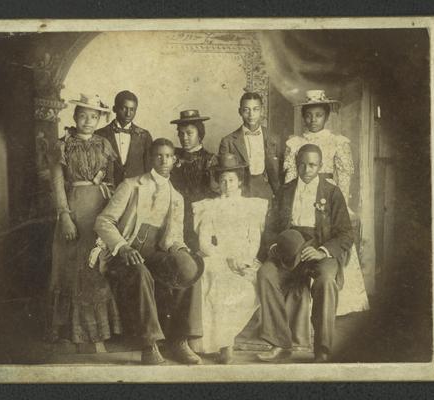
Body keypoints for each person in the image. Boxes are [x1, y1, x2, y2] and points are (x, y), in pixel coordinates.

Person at [94, 138, 204, 365]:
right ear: (151, 159)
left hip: (155, 252)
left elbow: (174, 237)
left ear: (175, 160)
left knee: (189, 271)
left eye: (169, 156)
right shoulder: (131, 185)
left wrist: (182, 251)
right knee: (141, 273)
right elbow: (103, 221)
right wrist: (122, 247)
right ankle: (149, 345)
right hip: (124, 251)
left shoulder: (177, 197)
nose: (164, 160)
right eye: (159, 156)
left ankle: (179, 341)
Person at [257, 144, 353, 363]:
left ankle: (322, 348)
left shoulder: (331, 192)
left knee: (326, 280)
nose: (307, 169)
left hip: (320, 247)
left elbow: (346, 233)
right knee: (266, 274)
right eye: (302, 163)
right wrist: (274, 246)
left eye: (312, 165)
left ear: (320, 166)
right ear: (295, 163)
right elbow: (271, 228)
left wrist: (322, 251)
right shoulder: (285, 190)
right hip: (289, 246)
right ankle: (279, 341)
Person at [283, 89, 369, 316]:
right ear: (303, 117)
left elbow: (344, 177)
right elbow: (291, 178)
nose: (313, 120)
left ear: (326, 116)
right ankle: (299, 310)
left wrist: (342, 205)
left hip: (329, 200)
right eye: (309, 116)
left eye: (318, 115)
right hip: (302, 196)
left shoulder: (337, 142)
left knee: (332, 241)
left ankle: (333, 307)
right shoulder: (295, 143)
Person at [46, 94, 121, 352]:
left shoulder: (104, 144)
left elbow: (110, 183)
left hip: (100, 210)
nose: (88, 121)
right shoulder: (62, 145)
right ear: (75, 117)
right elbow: (57, 183)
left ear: (100, 118)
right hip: (74, 210)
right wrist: (65, 215)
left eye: (94, 116)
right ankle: (73, 335)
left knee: (96, 266)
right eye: (83, 115)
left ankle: (97, 335)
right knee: (73, 268)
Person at [192, 153, 268, 363]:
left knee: (245, 287)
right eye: (223, 180)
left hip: (243, 257)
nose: (227, 184)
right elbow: (204, 243)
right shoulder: (209, 207)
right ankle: (225, 344)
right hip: (217, 256)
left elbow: (254, 241)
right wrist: (224, 258)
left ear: (240, 181)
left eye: (231, 180)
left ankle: (228, 338)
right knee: (215, 282)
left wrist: (243, 261)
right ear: (217, 182)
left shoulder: (251, 206)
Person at [219, 92, 283, 201]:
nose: (251, 114)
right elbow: (222, 175)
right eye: (246, 110)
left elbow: (280, 171)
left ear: (262, 110)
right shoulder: (228, 141)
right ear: (240, 111)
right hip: (240, 193)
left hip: (266, 191)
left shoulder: (274, 139)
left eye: (256, 109)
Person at [169, 110, 217, 252]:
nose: (184, 138)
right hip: (174, 212)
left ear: (200, 134)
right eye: (181, 133)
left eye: (189, 133)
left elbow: (213, 195)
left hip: (199, 216)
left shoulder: (210, 159)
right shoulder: (172, 156)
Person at [95, 90, 153, 188]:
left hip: (137, 191)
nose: (128, 114)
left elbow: (149, 169)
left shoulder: (144, 136)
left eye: (132, 109)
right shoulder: (100, 135)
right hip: (108, 191)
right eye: (124, 108)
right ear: (114, 109)